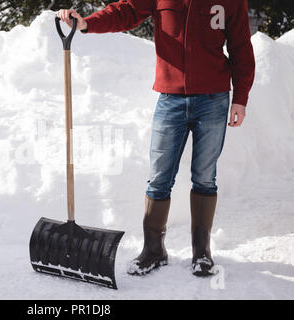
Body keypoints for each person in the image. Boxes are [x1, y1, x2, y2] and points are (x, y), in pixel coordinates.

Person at [57, 0, 255, 277]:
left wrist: (241, 98)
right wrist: (88, 23)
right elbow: (126, 11)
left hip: (214, 98)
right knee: (159, 177)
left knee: (205, 176)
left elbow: (240, 46)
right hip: (170, 99)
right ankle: (153, 250)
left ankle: (201, 252)